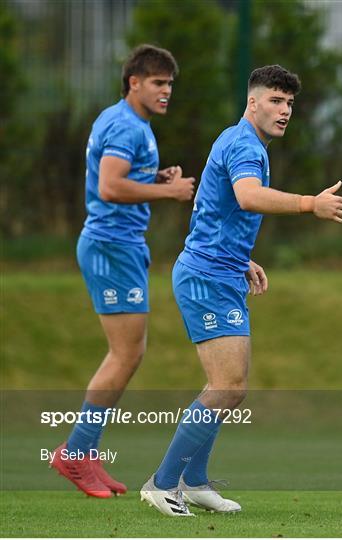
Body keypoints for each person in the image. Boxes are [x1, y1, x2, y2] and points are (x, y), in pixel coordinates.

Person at [140, 64, 342, 516]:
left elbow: (214, 211)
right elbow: (248, 197)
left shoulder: (240, 140)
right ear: (252, 102)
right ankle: (161, 484)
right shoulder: (245, 146)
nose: (285, 110)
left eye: (290, 103)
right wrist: (310, 203)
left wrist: (242, 259)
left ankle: (194, 482)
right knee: (228, 386)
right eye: (275, 100)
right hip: (206, 278)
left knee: (229, 386)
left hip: (220, 270)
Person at [50, 44, 195, 498]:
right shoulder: (124, 124)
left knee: (130, 353)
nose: (166, 91)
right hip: (111, 246)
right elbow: (110, 187)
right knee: (124, 354)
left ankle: (85, 451)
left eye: (170, 84)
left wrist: (154, 180)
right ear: (134, 82)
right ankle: (75, 453)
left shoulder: (133, 124)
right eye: (158, 83)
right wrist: (168, 195)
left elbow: (116, 178)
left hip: (122, 246)